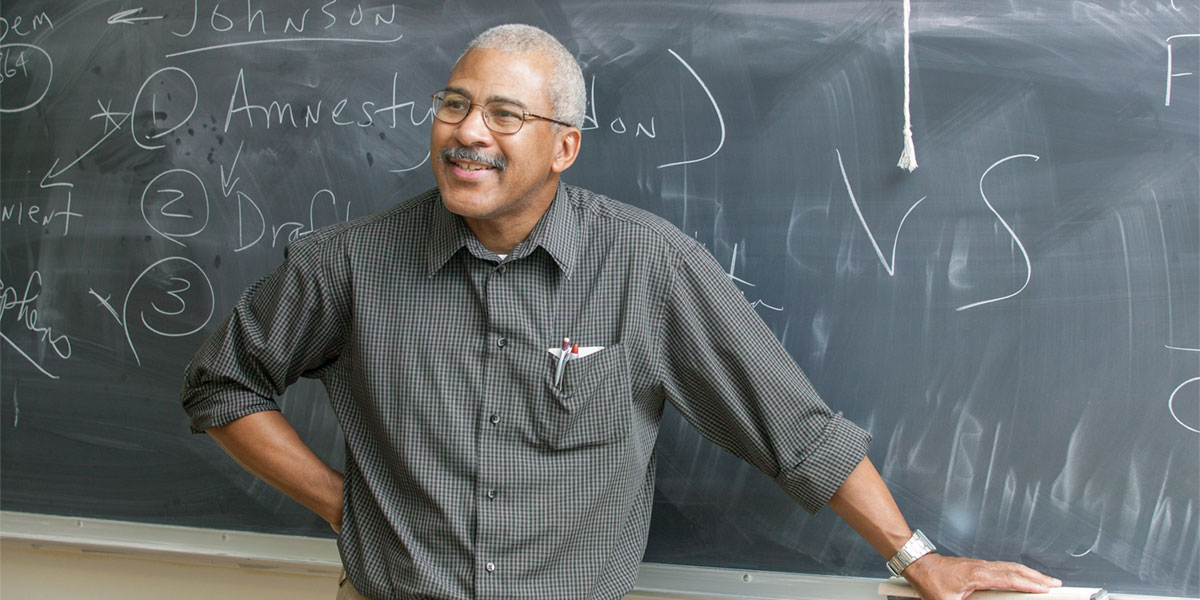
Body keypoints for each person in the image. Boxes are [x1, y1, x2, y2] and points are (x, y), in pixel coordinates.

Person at [181, 24, 1062, 600]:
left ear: (564, 145)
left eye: (502, 113)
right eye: (455, 104)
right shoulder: (347, 266)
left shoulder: (648, 266)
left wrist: (917, 558)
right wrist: (348, 507)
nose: (467, 132)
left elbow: (794, 431)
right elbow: (222, 385)